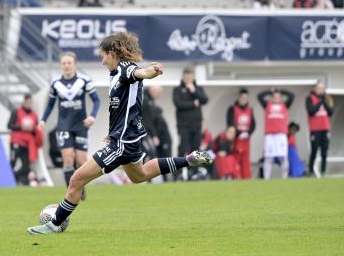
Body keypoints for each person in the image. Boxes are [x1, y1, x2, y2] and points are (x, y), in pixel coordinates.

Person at [27, 32, 213, 235]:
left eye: (103, 55)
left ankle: (54, 224)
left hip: (122, 142)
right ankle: (189, 159)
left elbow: (139, 73)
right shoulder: (115, 73)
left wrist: (152, 71)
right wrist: (112, 132)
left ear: (112, 53)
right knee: (139, 175)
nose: (101, 59)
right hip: (126, 138)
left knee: (77, 179)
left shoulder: (125, 68)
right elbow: (121, 107)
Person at [39, 52, 101, 199]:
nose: (66, 66)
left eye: (69, 63)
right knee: (68, 158)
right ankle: (71, 191)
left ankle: (81, 186)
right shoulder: (55, 84)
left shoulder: (84, 80)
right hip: (64, 126)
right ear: (61, 65)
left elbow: (96, 100)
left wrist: (92, 116)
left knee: (81, 160)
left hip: (81, 126)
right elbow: (50, 104)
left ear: (75, 65)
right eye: (64, 63)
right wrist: (43, 119)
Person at [173, 67, 208, 179]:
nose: (188, 78)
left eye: (190, 76)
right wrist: (193, 103)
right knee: (183, 148)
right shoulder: (178, 89)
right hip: (183, 126)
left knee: (195, 149)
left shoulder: (198, 89)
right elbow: (179, 104)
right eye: (186, 76)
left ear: (193, 77)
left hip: (196, 125)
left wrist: (194, 91)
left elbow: (205, 100)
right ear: (183, 77)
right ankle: (180, 172)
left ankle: (195, 172)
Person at [257, 87, 294, 180]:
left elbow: (291, 96)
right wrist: (270, 91)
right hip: (270, 135)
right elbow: (259, 96)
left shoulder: (285, 105)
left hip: (281, 135)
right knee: (268, 157)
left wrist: (281, 90)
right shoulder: (267, 105)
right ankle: (266, 178)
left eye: (278, 97)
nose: (276, 98)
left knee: (283, 157)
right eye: (274, 96)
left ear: (281, 98)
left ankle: (284, 177)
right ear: (272, 97)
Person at [8, 93, 43, 185]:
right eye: (27, 102)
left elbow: (36, 130)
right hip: (16, 142)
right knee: (13, 162)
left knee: (26, 166)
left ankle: (16, 178)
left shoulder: (34, 115)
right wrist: (21, 127)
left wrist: (32, 129)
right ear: (23, 102)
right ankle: (8, 180)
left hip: (27, 144)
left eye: (30, 102)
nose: (29, 104)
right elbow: (9, 125)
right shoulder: (16, 112)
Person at [143, 85, 173, 181]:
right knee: (149, 154)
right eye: (158, 93)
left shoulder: (149, 101)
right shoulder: (146, 101)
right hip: (143, 134)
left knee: (150, 154)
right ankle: (145, 178)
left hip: (147, 134)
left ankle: (149, 178)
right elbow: (147, 121)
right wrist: (154, 135)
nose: (158, 96)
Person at [226, 88, 256, 180]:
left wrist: (248, 133)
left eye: (245, 98)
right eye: (242, 97)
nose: (244, 100)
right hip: (236, 138)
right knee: (236, 158)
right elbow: (230, 123)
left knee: (245, 159)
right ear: (239, 98)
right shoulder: (232, 109)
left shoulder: (250, 109)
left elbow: (253, 124)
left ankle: (246, 177)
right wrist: (239, 133)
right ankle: (235, 176)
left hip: (246, 139)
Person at [306, 82, 334, 176]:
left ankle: (323, 171)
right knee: (314, 150)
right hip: (315, 129)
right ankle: (310, 171)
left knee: (324, 151)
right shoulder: (309, 98)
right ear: (315, 89)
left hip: (325, 129)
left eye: (322, 88)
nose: (320, 90)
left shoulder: (327, 99)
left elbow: (330, 112)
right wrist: (319, 102)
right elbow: (311, 111)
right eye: (318, 88)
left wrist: (324, 102)